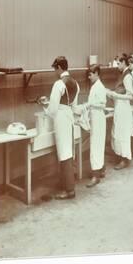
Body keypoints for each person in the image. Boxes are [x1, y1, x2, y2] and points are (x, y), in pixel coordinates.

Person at [44, 56, 80, 199]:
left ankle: (69, 190)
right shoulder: (76, 83)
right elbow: (75, 106)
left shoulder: (59, 84)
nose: (54, 71)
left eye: (55, 68)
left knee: (64, 153)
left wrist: (45, 109)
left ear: (59, 68)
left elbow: (53, 109)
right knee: (68, 151)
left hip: (60, 118)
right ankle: (66, 183)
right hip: (69, 117)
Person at [106, 54, 133, 170]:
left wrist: (114, 94)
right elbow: (119, 90)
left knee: (122, 135)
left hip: (124, 108)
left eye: (118, 63)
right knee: (117, 133)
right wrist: (111, 92)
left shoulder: (127, 76)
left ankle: (124, 159)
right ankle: (120, 156)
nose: (117, 66)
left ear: (123, 63)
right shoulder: (122, 75)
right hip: (119, 107)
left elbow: (130, 96)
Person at [85, 64, 107, 187]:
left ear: (97, 73)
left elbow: (103, 104)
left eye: (91, 74)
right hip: (95, 118)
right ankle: (101, 170)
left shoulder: (100, 87)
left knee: (95, 146)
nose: (89, 77)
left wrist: (90, 104)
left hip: (98, 118)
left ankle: (96, 176)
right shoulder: (95, 87)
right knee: (97, 145)